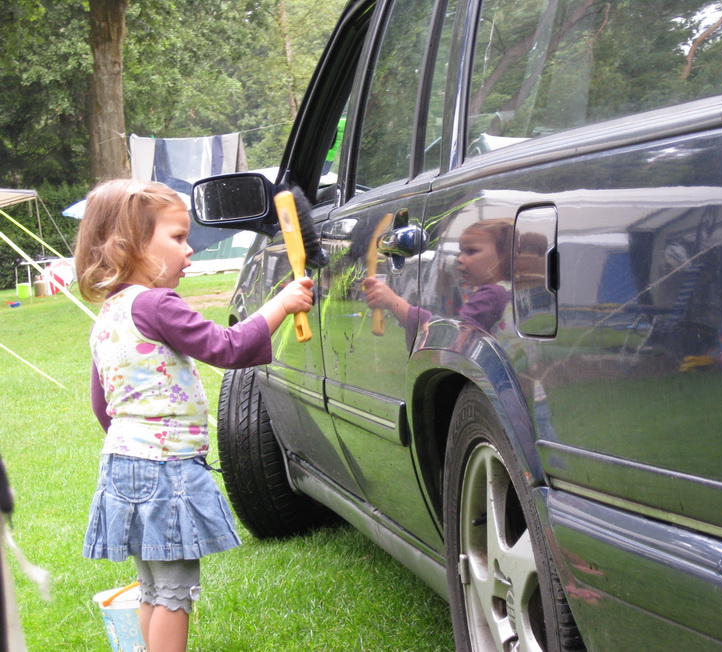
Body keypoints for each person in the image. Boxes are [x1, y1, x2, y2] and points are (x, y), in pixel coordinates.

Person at [74, 179, 313, 652]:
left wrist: (135, 450)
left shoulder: (109, 314)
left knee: (153, 589)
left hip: (122, 467)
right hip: (165, 470)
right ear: (132, 244)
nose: (189, 252)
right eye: (178, 238)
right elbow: (226, 348)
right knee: (176, 593)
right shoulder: (157, 304)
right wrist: (281, 303)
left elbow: (102, 406)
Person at [362, 218, 513, 339]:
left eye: (471, 251)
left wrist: (393, 301)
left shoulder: (491, 294)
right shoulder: (505, 290)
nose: (459, 259)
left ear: (503, 256)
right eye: (461, 252)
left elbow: (448, 336)